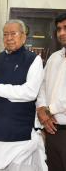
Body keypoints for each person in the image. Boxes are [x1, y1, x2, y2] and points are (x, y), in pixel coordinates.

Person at [0, 19, 47, 171]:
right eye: (5, 34)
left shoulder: (34, 60)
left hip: (17, 133)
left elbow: (30, 92)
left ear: (23, 36)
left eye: (13, 34)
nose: (9, 38)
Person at [36, 13, 66, 171]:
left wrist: (48, 110)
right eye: (59, 29)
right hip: (52, 130)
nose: (61, 33)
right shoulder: (54, 57)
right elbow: (42, 86)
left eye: (65, 28)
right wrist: (41, 108)